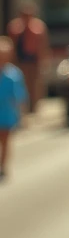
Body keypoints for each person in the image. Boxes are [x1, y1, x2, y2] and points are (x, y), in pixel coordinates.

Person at [8, 0, 48, 114]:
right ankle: (23, 108)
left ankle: (33, 108)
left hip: (33, 61)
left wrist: (44, 60)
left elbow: (43, 45)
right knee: (21, 84)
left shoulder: (39, 27)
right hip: (20, 61)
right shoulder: (14, 27)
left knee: (34, 85)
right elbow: (12, 45)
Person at [0, 35, 28, 180]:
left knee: (5, 141)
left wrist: (21, 115)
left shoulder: (14, 74)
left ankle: (3, 166)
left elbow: (20, 96)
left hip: (6, 113)